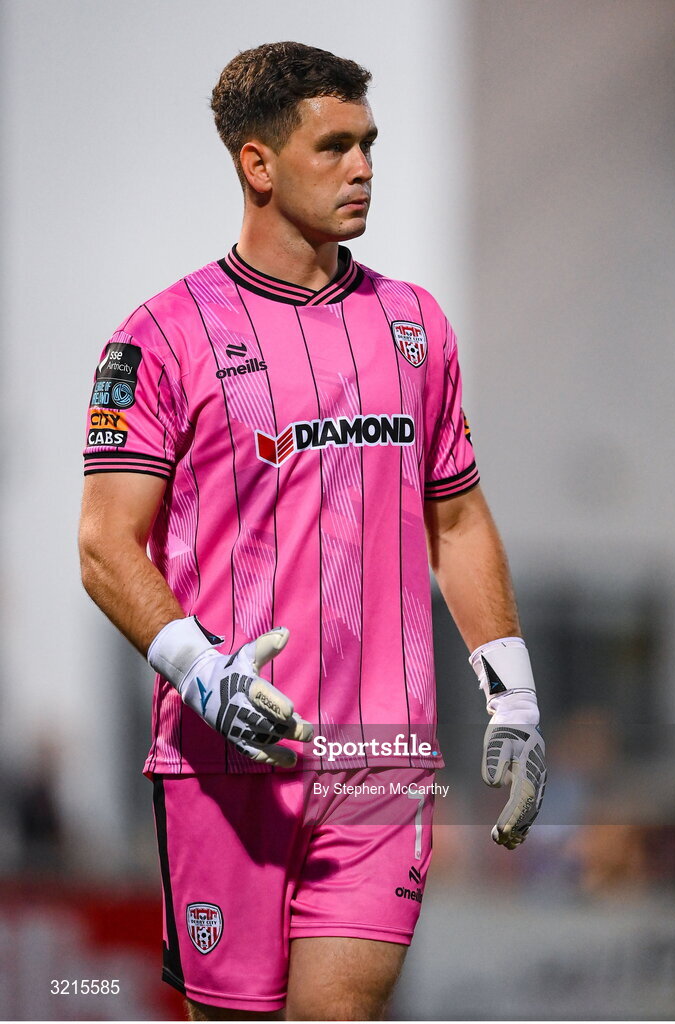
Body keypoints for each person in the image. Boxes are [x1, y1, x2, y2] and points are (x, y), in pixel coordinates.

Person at [78, 41, 546, 1022]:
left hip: (383, 763)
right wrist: (203, 673)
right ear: (257, 164)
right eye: (334, 146)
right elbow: (104, 544)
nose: (363, 166)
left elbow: (455, 519)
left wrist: (513, 697)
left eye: (368, 143)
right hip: (223, 764)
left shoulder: (413, 327)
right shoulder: (157, 337)